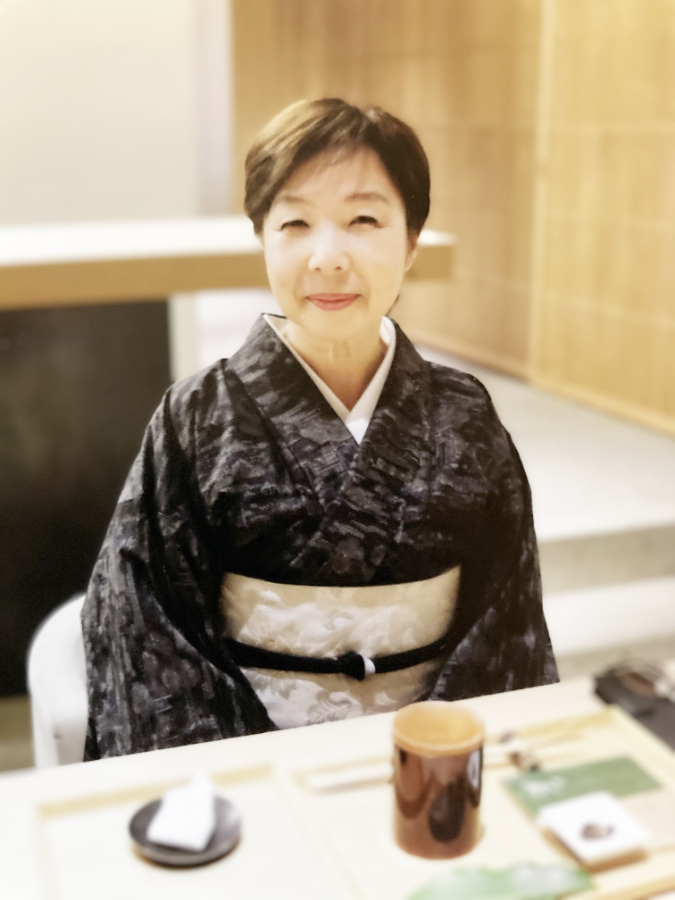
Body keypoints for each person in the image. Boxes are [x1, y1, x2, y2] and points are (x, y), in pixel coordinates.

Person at [82, 98, 558, 760]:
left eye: (363, 220)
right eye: (295, 223)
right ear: (262, 238)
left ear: (411, 241)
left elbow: (505, 624)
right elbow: (146, 627)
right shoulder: (195, 417)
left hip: (425, 766)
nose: (328, 257)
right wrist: (246, 778)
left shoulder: (464, 415)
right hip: (251, 776)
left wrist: (438, 761)